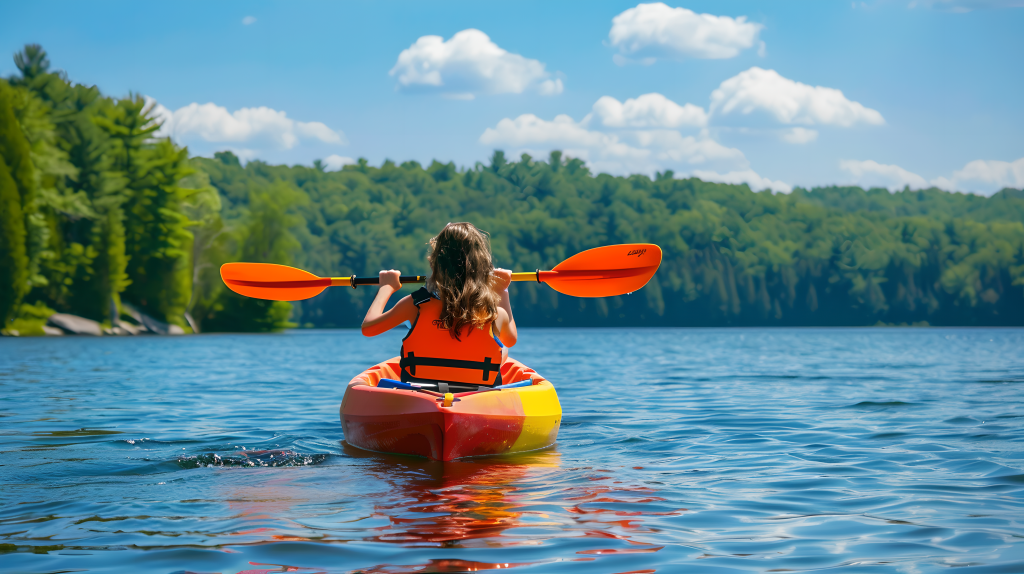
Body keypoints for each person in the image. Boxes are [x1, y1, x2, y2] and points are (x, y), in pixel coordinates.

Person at [361, 222, 518, 392]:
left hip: (420, 392)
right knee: (503, 350)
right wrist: (502, 291)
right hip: (477, 392)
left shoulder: (416, 304)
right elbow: (510, 339)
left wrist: (387, 287)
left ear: (435, 262)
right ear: (483, 266)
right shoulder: (494, 313)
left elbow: (369, 328)